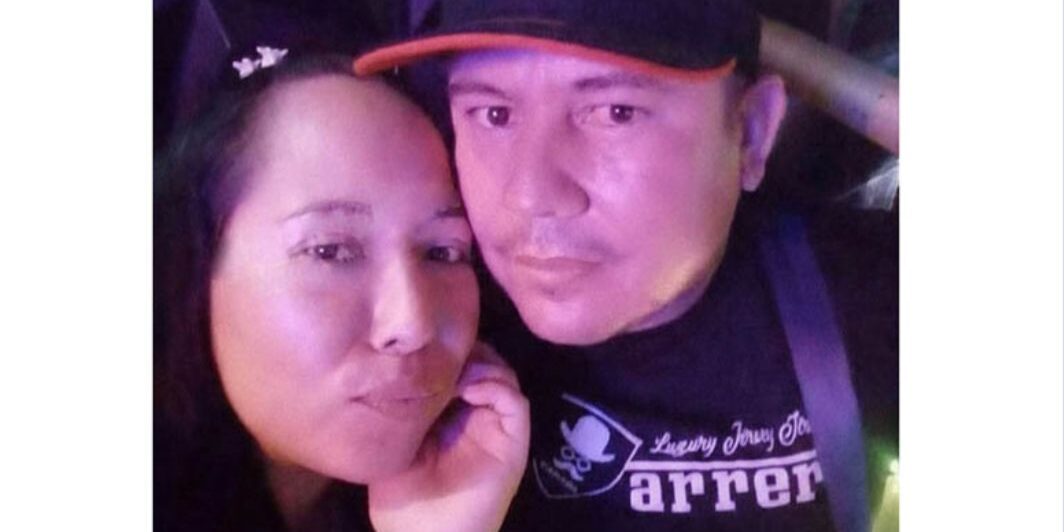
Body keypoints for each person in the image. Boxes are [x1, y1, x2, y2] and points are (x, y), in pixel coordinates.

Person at [354, 0, 898, 531]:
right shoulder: (410, 345)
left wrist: (769, 39)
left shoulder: (859, 294)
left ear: (751, 130)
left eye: (616, 112)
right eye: (493, 114)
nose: (530, 195)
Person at [154, 51, 529, 532]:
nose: (412, 324)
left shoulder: (494, 470)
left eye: (443, 252)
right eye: (330, 251)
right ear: (197, 262)